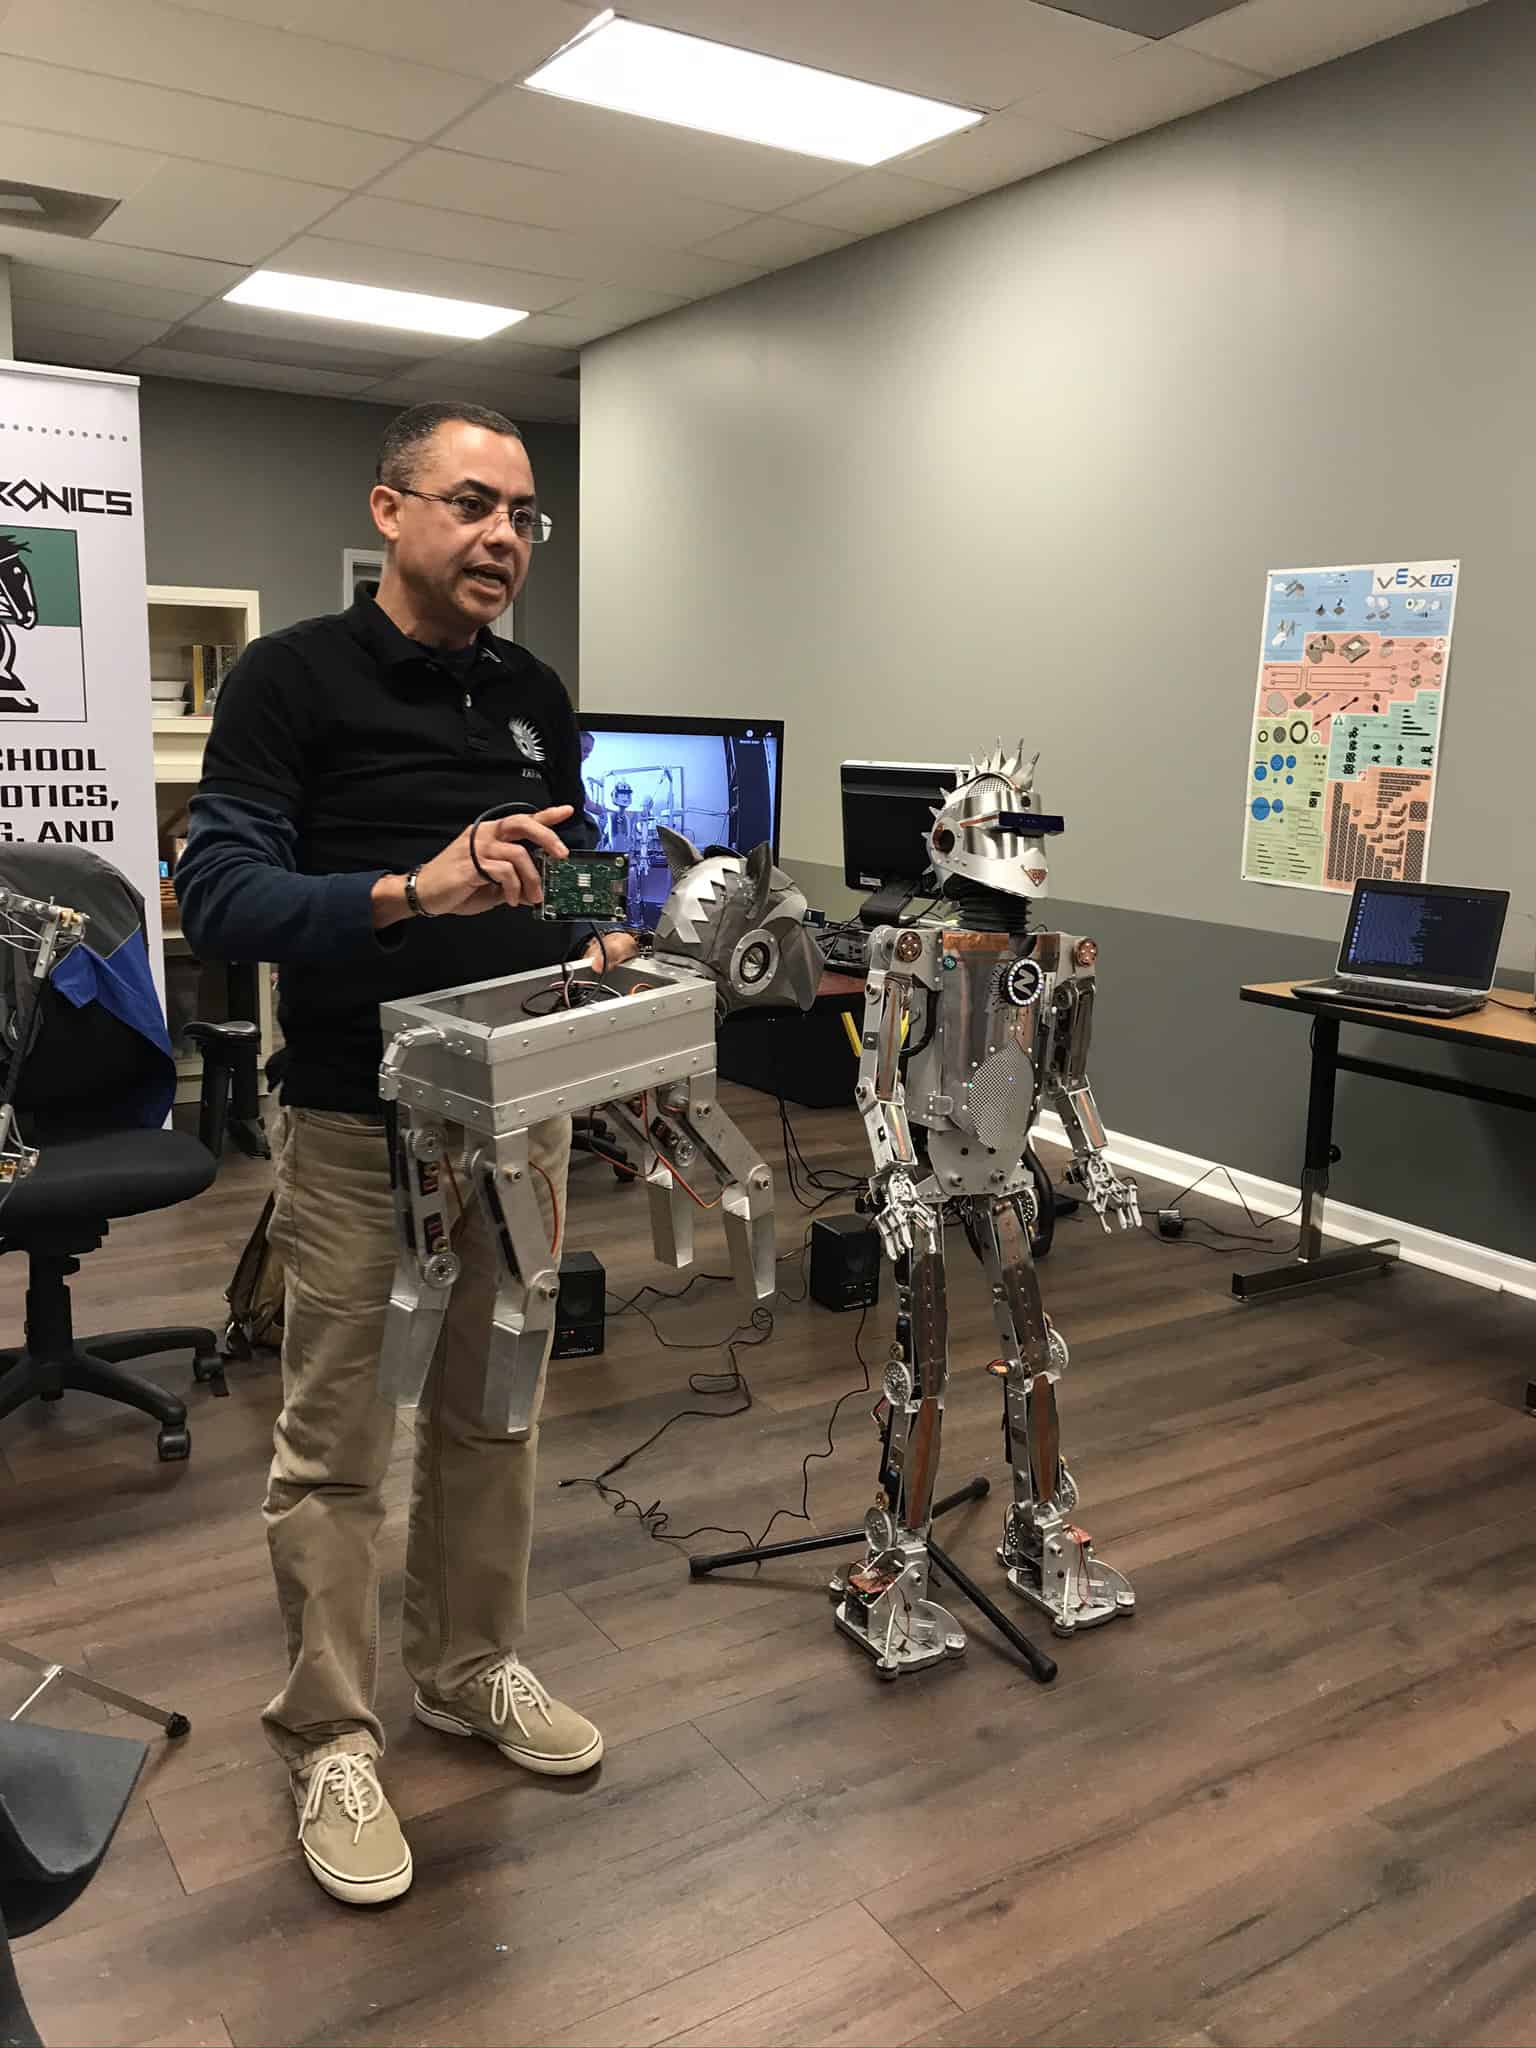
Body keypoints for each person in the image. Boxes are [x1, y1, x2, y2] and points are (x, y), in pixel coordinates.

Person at [177, 402, 640, 1908]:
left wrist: (596, 928)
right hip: (353, 1121)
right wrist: (410, 891)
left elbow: (563, 872)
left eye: (525, 515)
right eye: (473, 503)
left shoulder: (533, 692)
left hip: (518, 1114)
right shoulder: (289, 677)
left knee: (496, 1412)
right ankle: (329, 1732)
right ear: (390, 510)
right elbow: (220, 899)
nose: (506, 535)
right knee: (337, 1445)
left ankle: (469, 1664)